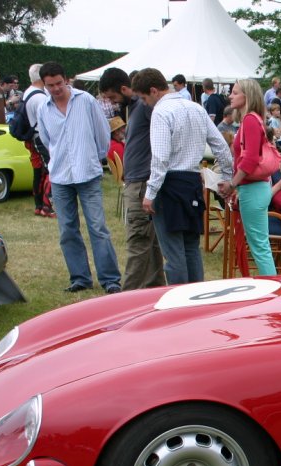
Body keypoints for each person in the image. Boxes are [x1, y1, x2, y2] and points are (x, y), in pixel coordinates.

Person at [133, 68, 233, 284]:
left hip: (169, 184)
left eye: (143, 98)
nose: (145, 104)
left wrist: (150, 193)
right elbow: (221, 146)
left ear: (153, 90)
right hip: (192, 183)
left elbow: (160, 158)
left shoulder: (161, 113)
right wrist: (227, 177)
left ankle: (179, 305)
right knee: (190, 248)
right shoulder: (196, 108)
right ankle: (197, 299)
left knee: (174, 252)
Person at [36, 61, 122, 294]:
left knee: (97, 227)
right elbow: (46, 139)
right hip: (61, 176)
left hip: (88, 173)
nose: (55, 89)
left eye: (58, 83)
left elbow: (102, 134)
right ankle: (80, 277)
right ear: (44, 84)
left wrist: (93, 158)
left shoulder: (85, 101)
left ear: (66, 80)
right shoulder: (43, 108)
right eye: (50, 85)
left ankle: (110, 279)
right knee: (67, 229)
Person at [99, 66, 165, 290]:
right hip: (137, 182)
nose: (113, 103)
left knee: (138, 241)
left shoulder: (145, 107)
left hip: (141, 184)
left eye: (113, 97)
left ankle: (125, 298)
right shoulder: (134, 108)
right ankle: (155, 290)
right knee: (151, 243)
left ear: (125, 89)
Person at [225, 78, 278, 275]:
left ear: (246, 96)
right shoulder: (253, 119)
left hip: (253, 189)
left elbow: (249, 160)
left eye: (235, 92)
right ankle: (274, 290)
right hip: (254, 188)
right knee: (260, 245)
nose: (231, 95)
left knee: (259, 247)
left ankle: (274, 292)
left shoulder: (250, 120)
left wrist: (232, 184)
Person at [21, 63, 52, 218]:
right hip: (40, 137)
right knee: (49, 170)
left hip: (34, 136)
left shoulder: (29, 92)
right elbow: (48, 120)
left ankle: (39, 205)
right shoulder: (40, 97)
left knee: (39, 171)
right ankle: (46, 206)